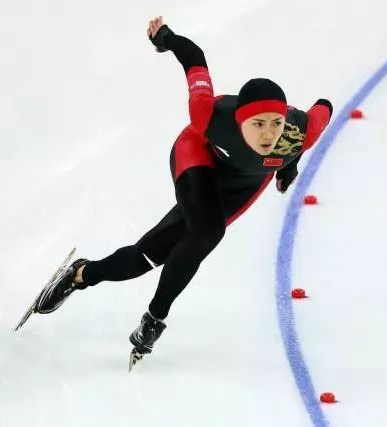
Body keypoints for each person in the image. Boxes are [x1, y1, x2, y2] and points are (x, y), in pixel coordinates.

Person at [34, 16, 333, 357]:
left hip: (243, 185)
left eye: (276, 124)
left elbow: (325, 107)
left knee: (145, 258)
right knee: (208, 232)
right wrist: (166, 38)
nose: (268, 133)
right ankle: (155, 319)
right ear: (239, 120)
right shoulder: (210, 115)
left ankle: (81, 274)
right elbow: (195, 59)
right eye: (258, 123)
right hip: (198, 156)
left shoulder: (298, 134)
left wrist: (288, 165)